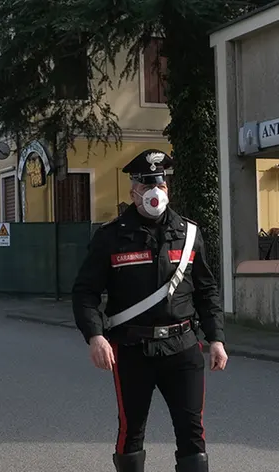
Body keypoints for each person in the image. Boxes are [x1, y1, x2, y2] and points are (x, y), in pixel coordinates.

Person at [72, 149, 229, 472]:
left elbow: (206, 289)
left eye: (160, 184)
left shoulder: (189, 234)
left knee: (192, 434)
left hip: (183, 346)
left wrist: (216, 338)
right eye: (146, 186)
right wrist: (95, 336)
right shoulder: (111, 237)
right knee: (131, 432)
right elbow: (85, 291)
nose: (154, 193)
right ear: (133, 191)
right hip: (131, 349)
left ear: (168, 188)